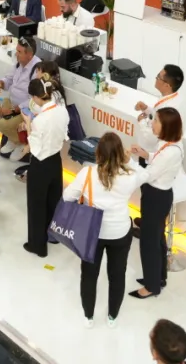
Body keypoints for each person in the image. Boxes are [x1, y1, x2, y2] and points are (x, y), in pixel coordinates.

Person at [62, 133, 137, 326]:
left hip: (91, 233)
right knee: (117, 275)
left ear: (98, 153)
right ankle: (112, 317)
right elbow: (144, 175)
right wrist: (130, 161)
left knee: (89, 275)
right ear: (120, 154)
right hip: (120, 231)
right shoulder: (129, 176)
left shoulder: (87, 173)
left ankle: (88, 316)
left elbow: (67, 197)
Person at [129, 108, 185, 299]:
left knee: (149, 242)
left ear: (166, 126)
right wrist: (146, 155)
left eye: (156, 121)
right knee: (158, 239)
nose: (152, 123)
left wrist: (130, 163)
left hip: (155, 197)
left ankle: (151, 286)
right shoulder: (171, 145)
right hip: (160, 196)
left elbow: (148, 175)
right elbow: (159, 159)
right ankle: (159, 277)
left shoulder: (170, 152)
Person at [18, 77, 68, 258]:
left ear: (35, 97)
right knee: (53, 200)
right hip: (56, 161)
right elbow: (64, 135)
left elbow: (35, 147)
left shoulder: (39, 120)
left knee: (36, 205)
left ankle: (37, 245)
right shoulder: (62, 111)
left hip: (40, 164)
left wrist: (28, 124)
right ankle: (52, 235)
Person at [0, 38, 41, 158]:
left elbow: (35, 99)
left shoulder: (37, 70)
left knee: (3, 124)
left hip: (26, 110)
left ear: (29, 55)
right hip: (11, 101)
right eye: (16, 50)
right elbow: (9, 78)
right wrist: (1, 83)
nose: (16, 54)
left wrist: (14, 110)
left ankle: (21, 142)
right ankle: (13, 138)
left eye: (19, 52)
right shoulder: (19, 62)